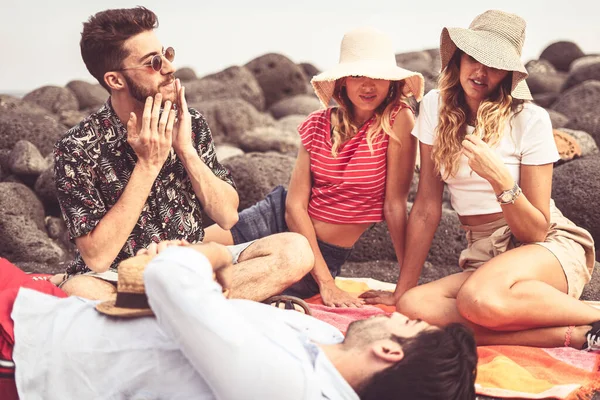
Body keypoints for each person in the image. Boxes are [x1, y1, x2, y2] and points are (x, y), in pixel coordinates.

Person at [362, 10, 598, 350]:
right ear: (459, 57)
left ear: (509, 74)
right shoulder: (435, 106)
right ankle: (575, 334)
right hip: (484, 252)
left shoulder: (529, 119)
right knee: (414, 306)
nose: (481, 71)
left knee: (477, 301)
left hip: (543, 247)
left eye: (495, 63)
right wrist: (402, 288)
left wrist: (500, 179)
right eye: (474, 57)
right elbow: (427, 207)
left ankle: (590, 314)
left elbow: (535, 231)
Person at [53, 7, 313, 301]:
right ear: (115, 80)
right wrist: (148, 165)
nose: (169, 67)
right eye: (153, 62)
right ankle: (192, 304)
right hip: (118, 277)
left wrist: (186, 150)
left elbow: (227, 217)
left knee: (296, 251)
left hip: (192, 264)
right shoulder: (77, 147)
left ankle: (163, 308)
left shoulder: (190, 122)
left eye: (167, 54)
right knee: (80, 291)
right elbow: (97, 259)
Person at [9, 241, 478, 400]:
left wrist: (209, 254)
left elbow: (171, 279)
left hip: (31, 343)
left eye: (408, 324)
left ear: (390, 351)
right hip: (59, 309)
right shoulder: (325, 345)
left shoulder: (286, 387)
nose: (394, 314)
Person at [205, 27, 425, 307]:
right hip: (272, 218)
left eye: (378, 77)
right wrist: (328, 285)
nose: (368, 86)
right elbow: (294, 207)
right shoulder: (317, 123)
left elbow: (395, 205)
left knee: (215, 287)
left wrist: (404, 287)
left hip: (317, 256)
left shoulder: (398, 120)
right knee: (180, 251)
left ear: (391, 82)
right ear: (343, 80)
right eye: (357, 75)